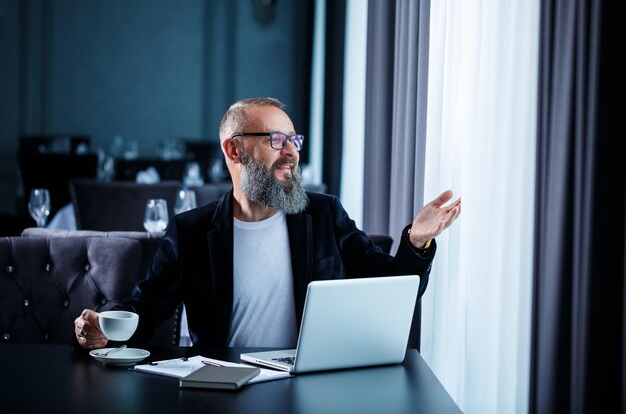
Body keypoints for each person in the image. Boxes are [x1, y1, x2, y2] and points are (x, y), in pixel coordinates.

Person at [74, 97, 461, 350]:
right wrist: (103, 330)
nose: (291, 150)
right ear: (234, 149)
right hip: (222, 386)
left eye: (295, 139)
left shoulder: (324, 214)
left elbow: (391, 288)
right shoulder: (191, 231)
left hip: (309, 386)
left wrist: (415, 242)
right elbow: (146, 310)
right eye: (277, 139)